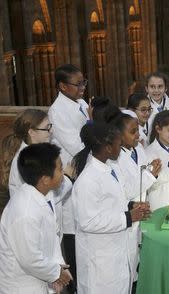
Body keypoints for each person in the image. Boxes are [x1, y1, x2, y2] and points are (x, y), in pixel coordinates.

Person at [72, 122, 150, 294]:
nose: (120, 147)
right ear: (107, 147)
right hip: (100, 261)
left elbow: (111, 201)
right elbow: (89, 221)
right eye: (118, 143)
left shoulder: (110, 168)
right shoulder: (88, 180)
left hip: (116, 252)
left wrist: (131, 206)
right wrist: (129, 217)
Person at [0, 143, 73, 293]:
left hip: (41, 280)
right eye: (60, 169)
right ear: (45, 179)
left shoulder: (45, 194)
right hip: (23, 287)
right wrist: (56, 273)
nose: (63, 173)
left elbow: (52, 236)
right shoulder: (25, 212)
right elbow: (30, 259)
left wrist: (57, 267)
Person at [108, 112, 161, 289]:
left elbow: (143, 176)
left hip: (141, 214)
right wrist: (150, 175)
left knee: (137, 263)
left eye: (137, 130)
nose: (138, 135)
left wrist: (150, 170)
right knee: (126, 269)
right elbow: (127, 189)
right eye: (132, 132)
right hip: (127, 217)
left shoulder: (138, 150)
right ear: (119, 135)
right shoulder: (115, 159)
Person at [2, 109, 73, 242]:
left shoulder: (39, 154)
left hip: (47, 230)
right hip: (35, 232)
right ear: (31, 132)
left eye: (50, 127)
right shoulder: (25, 162)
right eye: (46, 128)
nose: (51, 132)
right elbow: (45, 197)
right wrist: (67, 178)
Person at [47, 64, 88, 293]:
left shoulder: (81, 104)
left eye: (84, 82)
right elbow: (78, 147)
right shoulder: (57, 111)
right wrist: (92, 129)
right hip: (71, 177)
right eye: (78, 84)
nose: (82, 87)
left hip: (82, 177)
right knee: (72, 245)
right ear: (62, 86)